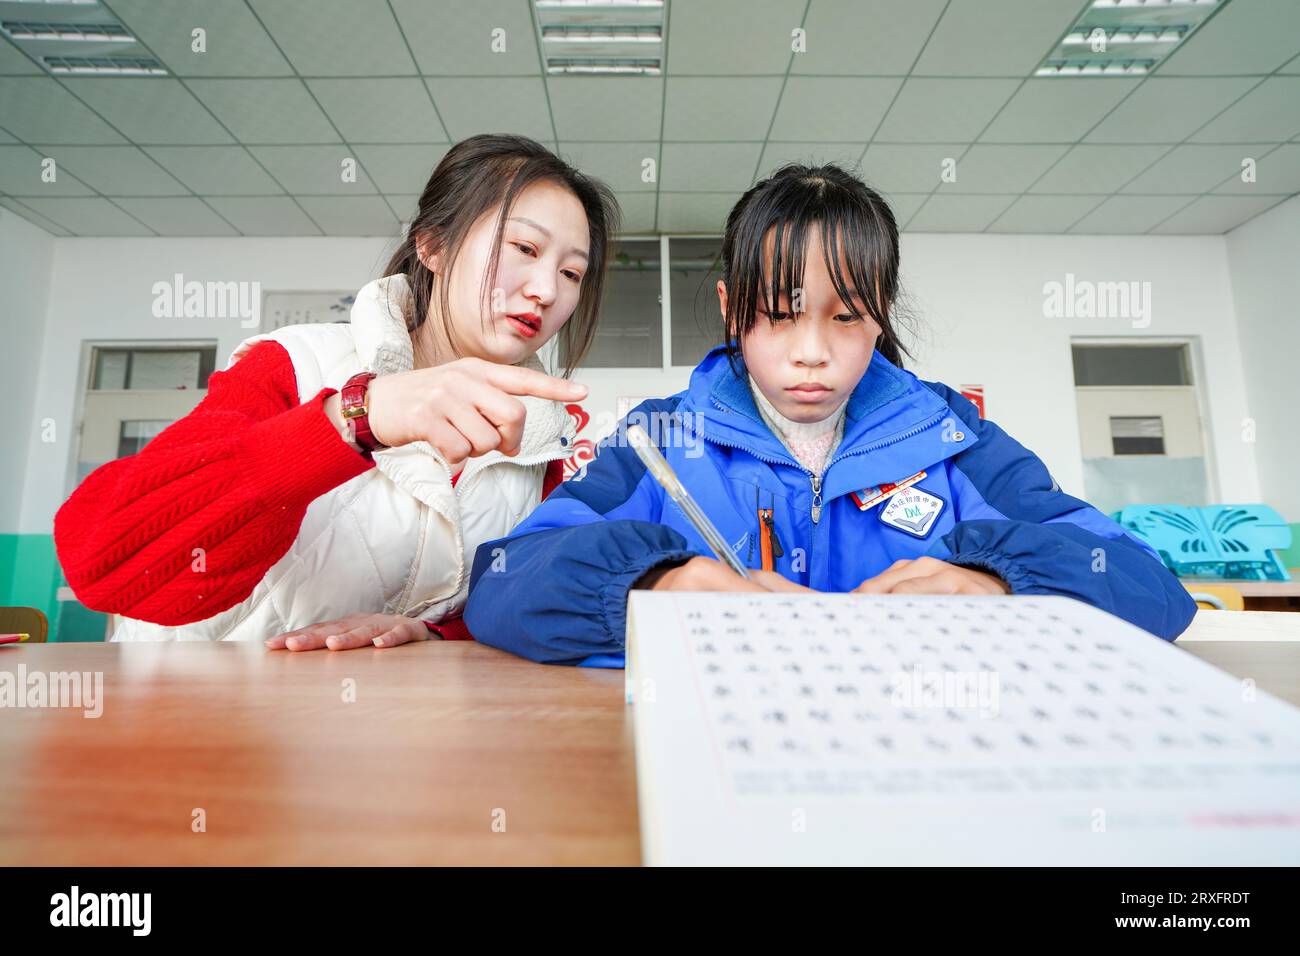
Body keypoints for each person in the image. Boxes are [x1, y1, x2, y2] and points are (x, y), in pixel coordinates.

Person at [462, 162, 1197, 665]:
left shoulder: (955, 441)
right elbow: (502, 581)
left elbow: (1149, 586)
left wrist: (1001, 584)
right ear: (730, 311)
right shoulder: (660, 438)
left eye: (846, 317)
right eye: (779, 316)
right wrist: (652, 586)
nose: (811, 353)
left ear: (881, 317)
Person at [55, 134, 618, 649]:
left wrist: (435, 632)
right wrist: (354, 419)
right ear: (434, 248)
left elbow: (514, 603)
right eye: (524, 248)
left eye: (572, 273)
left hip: (374, 744)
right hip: (195, 736)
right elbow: (102, 562)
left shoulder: (544, 442)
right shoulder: (297, 363)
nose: (545, 290)